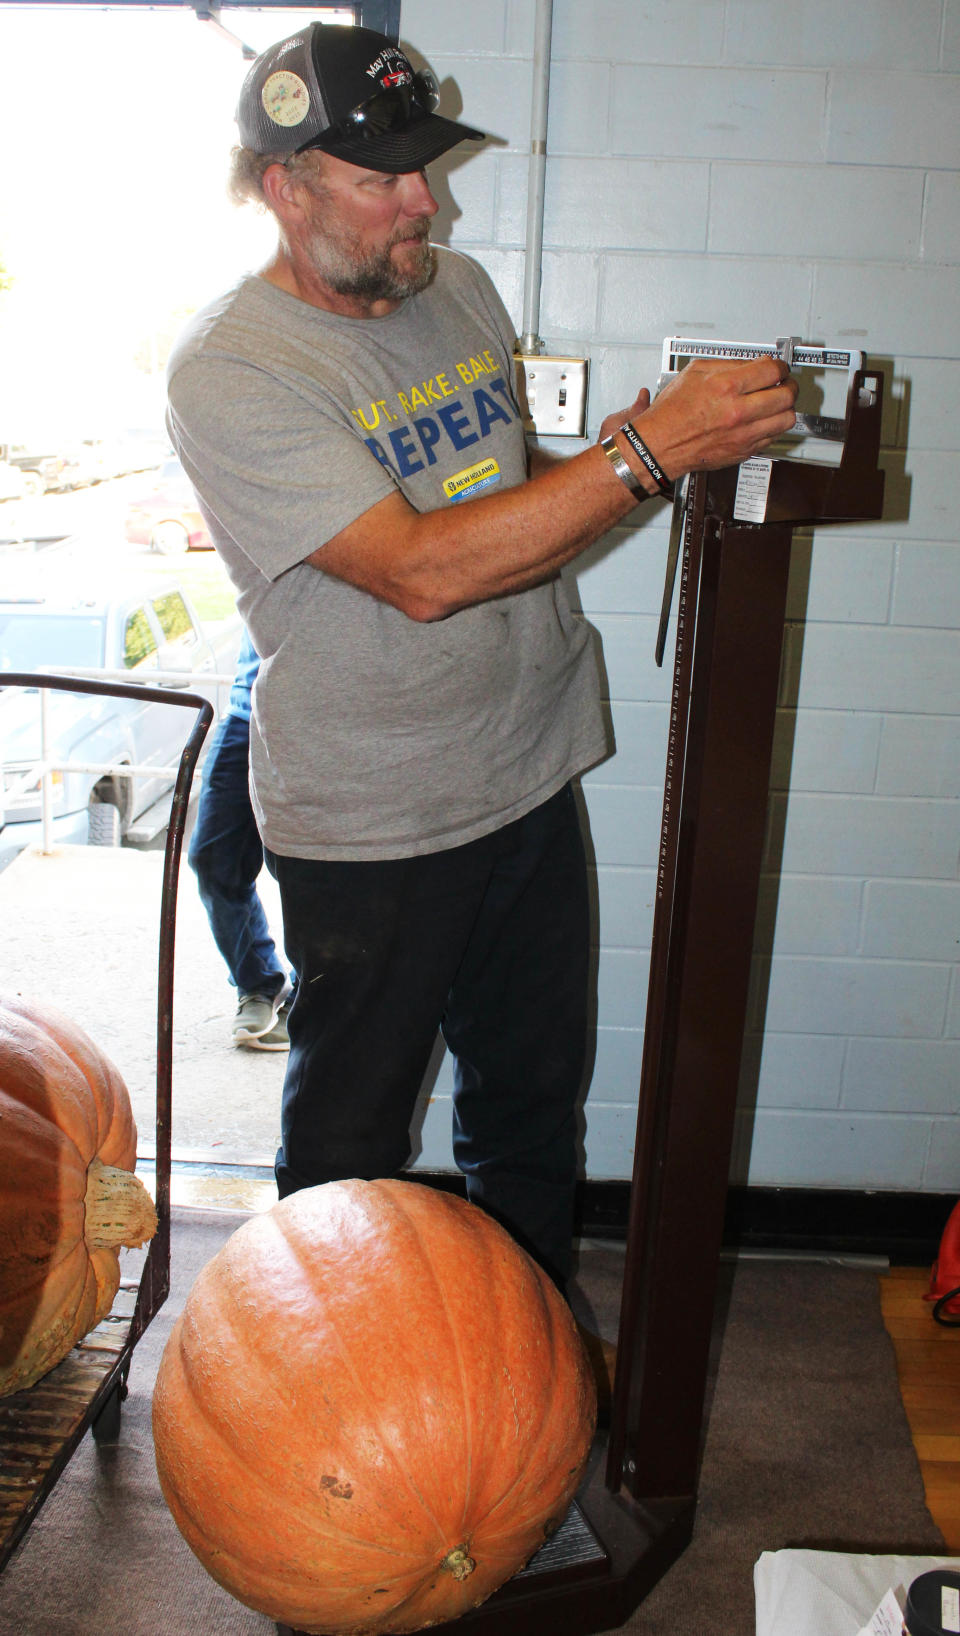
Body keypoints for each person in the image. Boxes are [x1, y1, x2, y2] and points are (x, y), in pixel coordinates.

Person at [166, 22, 797, 1294]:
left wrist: (646, 455)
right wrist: (647, 455)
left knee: (528, 1114)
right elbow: (421, 568)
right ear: (286, 186)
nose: (425, 202)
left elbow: (501, 502)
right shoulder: (233, 368)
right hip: (376, 818)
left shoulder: (451, 288)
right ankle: (324, 1404)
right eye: (386, 177)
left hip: (525, 772)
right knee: (348, 1143)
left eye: (428, 168)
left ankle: (527, 1375)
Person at [188, 627, 293, 1049]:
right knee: (213, 860)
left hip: (322, 726)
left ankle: (310, 998)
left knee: (315, 871)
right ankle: (258, 983)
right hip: (244, 715)